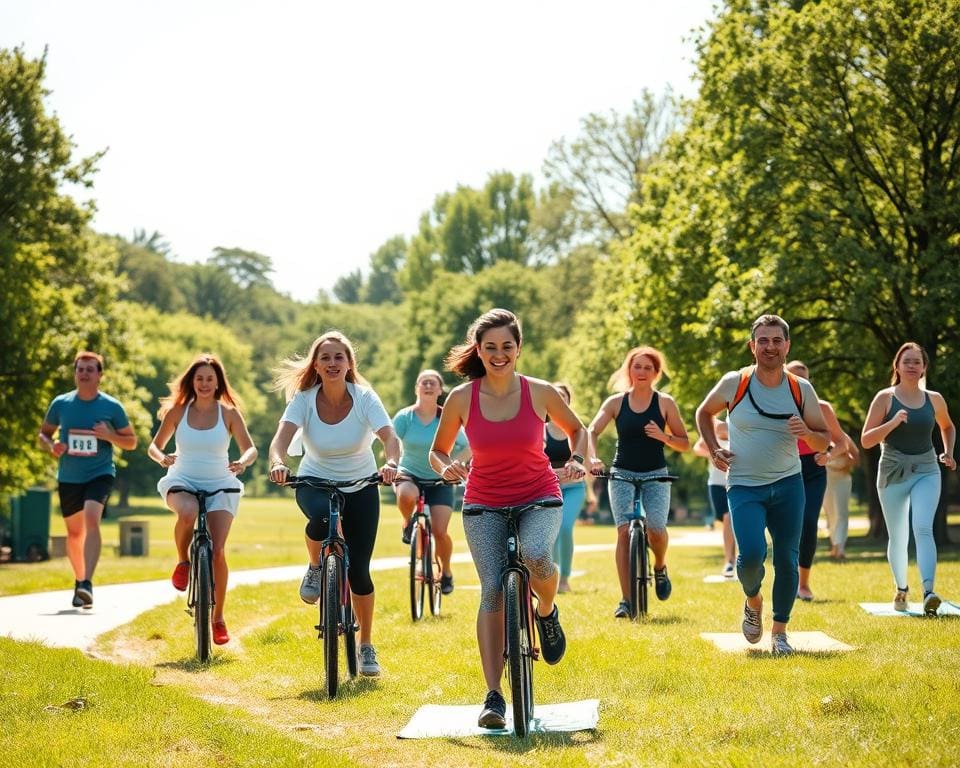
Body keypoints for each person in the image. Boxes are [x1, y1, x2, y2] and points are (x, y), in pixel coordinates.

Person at [429, 308, 587, 729]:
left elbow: (578, 430)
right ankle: (494, 695)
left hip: (539, 495)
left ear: (518, 348)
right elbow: (438, 450)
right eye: (490, 347)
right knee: (492, 589)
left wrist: (578, 459)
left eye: (507, 346)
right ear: (479, 350)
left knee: (537, 554)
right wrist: (445, 467)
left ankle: (547, 610)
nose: (499, 354)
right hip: (483, 501)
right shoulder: (463, 398)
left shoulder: (540, 392)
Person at [267, 331, 400, 677]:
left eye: (338, 357)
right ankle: (315, 566)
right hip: (315, 482)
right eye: (325, 358)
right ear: (316, 364)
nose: (332, 363)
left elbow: (389, 437)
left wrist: (391, 464)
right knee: (323, 522)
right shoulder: (304, 399)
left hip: (361, 485)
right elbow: (280, 440)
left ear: (348, 363)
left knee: (359, 571)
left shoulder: (365, 398)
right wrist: (278, 462)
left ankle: (366, 644)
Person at [695, 315, 830, 656]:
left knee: (787, 557)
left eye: (777, 341)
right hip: (743, 485)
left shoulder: (801, 389)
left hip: (788, 484)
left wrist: (807, 433)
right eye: (763, 341)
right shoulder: (735, 383)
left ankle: (780, 632)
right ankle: (753, 601)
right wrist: (713, 448)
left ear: (787, 346)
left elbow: (822, 441)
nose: (770, 346)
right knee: (752, 555)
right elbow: (703, 413)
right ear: (752, 346)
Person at [147, 354, 257, 645]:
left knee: (218, 550)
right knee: (188, 512)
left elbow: (251, 449)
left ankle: (218, 617)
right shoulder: (178, 412)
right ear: (191, 382)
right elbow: (154, 447)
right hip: (182, 479)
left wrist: (242, 463)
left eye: (210, 378)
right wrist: (162, 459)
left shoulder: (229, 413)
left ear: (218, 382)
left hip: (221, 483)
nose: (205, 383)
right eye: (200, 378)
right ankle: (183, 561)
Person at [587, 346, 690, 618]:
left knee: (656, 527)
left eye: (648, 367)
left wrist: (663, 436)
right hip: (622, 472)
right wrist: (594, 458)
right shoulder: (616, 402)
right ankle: (626, 600)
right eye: (637, 366)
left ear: (656, 373)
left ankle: (659, 566)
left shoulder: (665, 403)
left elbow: (684, 443)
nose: (642, 372)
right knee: (623, 532)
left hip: (656, 473)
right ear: (629, 370)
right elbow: (592, 430)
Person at [860, 342, 956, 616]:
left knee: (923, 528)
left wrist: (948, 453)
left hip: (927, 468)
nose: (912, 366)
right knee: (898, 535)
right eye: (907, 361)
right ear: (897, 367)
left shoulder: (934, 399)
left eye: (917, 362)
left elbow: (947, 426)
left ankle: (929, 592)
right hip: (892, 471)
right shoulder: (885, 398)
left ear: (924, 367)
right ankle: (901, 588)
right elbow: (867, 440)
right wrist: (892, 422)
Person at [38, 352, 137, 609]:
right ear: (75, 373)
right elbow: (43, 435)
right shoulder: (61, 404)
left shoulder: (112, 407)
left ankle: (87, 584)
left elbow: (131, 442)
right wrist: (52, 445)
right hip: (69, 476)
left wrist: (110, 435)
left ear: (100, 375)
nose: (84, 373)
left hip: (100, 472)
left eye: (89, 369)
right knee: (74, 533)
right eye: (80, 369)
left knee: (92, 519)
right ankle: (79, 581)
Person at [784, 360, 860, 601]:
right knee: (785, 526)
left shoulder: (822, 408)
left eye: (804, 379)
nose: (800, 383)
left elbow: (842, 443)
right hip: (783, 469)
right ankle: (786, 578)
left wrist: (827, 455)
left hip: (813, 470)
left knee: (808, 523)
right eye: (794, 378)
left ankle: (803, 584)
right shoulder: (775, 404)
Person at [392, 369, 470, 595]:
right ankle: (408, 522)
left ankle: (445, 571)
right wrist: (391, 464)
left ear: (439, 389)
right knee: (406, 493)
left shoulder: (446, 417)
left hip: (440, 479)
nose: (427, 386)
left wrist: (452, 464)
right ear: (417, 388)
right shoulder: (404, 417)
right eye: (423, 382)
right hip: (410, 473)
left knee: (440, 531)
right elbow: (392, 442)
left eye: (432, 383)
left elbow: (468, 446)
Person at [544, 382, 597, 594]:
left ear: (568, 402)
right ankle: (551, 577)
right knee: (550, 533)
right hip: (548, 487)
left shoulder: (576, 430)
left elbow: (589, 461)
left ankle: (564, 578)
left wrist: (593, 465)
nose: (559, 400)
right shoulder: (540, 429)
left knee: (564, 528)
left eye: (563, 397)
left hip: (574, 488)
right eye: (555, 396)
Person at [693, 418, 737, 578]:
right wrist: (712, 454)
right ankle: (732, 560)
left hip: (736, 482)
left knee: (729, 518)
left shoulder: (741, 423)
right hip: (716, 483)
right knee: (725, 520)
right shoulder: (714, 425)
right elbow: (697, 448)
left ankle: (730, 562)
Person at [822, 430, 859, 560]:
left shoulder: (844, 438)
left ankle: (840, 547)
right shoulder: (821, 436)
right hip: (827, 477)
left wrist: (849, 462)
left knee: (842, 513)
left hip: (842, 478)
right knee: (830, 513)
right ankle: (834, 544)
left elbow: (856, 457)